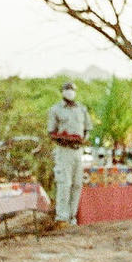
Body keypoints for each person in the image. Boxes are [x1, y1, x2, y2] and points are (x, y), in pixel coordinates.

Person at [46, 80, 91, 227]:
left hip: (78, 151)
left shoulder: (81, 109)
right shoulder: (55, 109)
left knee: (77, 184)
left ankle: (72, 217)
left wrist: (82, 139)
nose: (70, 91)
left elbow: (87, 129)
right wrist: (64, 139)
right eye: (67, 89)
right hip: (63, 151)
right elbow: (51, 132)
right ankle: (62, 217)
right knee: (64, 183)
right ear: (62, 91)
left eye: (72, 89)